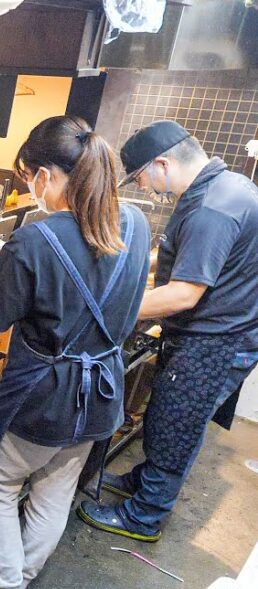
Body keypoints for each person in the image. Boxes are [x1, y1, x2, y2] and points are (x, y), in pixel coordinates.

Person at [0, 116, 150, 589]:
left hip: (42, 399)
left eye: (27, 177)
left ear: (44, 175)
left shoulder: (37, 238)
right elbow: (98, 286)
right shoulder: (134, 223)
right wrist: (7, 257)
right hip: (101, 392)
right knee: (54, 492)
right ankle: (17, 580)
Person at [78, 120, 258, 542]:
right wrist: (131, 264)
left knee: (176, 424)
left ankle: (145, 515)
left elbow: (184, 294)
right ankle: (146, 482)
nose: (143, 187)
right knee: (168, 416)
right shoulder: (223, 186)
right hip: (223, 330)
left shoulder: (212, 208)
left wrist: (108, 308)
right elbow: (181, 253)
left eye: (140, 177)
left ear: (162, 164)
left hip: (214, 340)